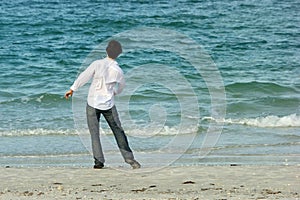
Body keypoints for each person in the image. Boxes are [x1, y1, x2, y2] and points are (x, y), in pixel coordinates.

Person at [64, 40, 141, 169]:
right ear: (119, 53)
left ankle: (98, 162)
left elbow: (84, 76)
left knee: (94, 133)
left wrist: (73, 89)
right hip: (109, 104)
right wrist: (115, 92)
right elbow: (121, 86)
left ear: (106, 51)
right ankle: (130, 160)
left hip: (93, 103)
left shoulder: (97, 64)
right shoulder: (118, 70)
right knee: (118, 131)